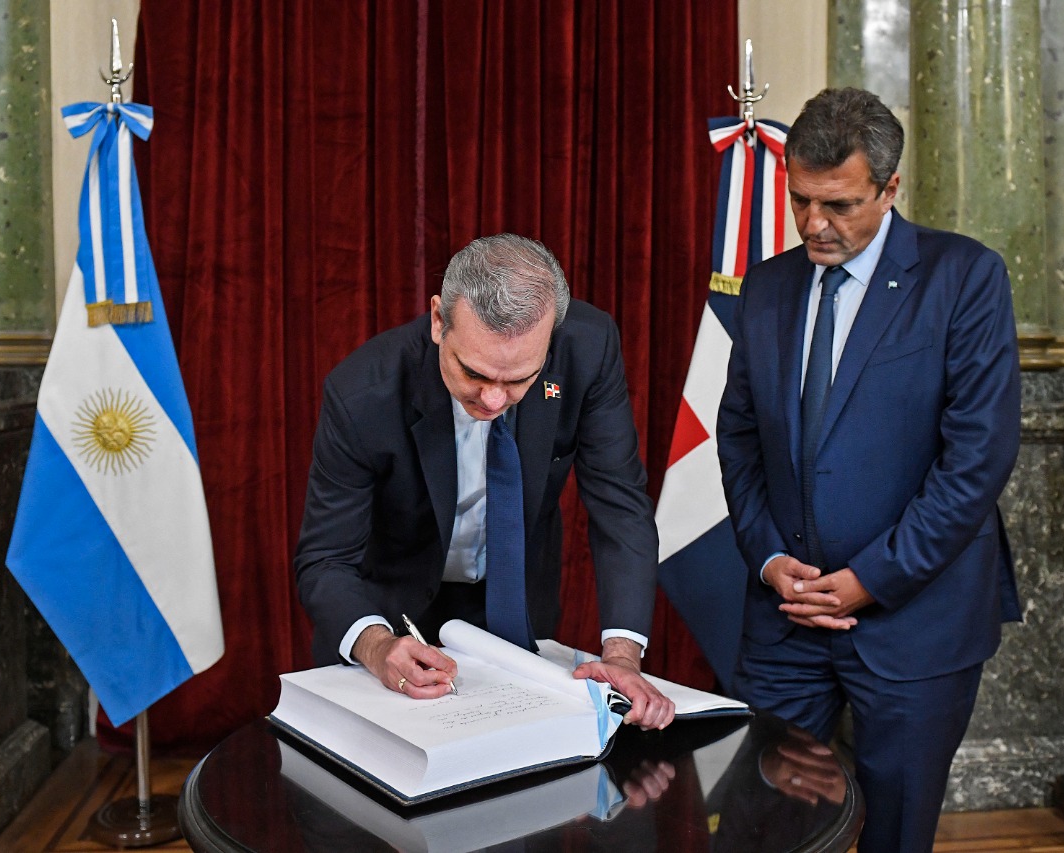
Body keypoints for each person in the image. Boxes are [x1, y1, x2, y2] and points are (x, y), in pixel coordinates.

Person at [716, 87, 1022, 852]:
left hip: (915, 624)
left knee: (894, 832)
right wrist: (769, 558)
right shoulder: (768, 286)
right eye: (801, 200)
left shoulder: (964, 279)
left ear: (890, 189)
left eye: (841, 204)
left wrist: (869, 578)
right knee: (757, 830)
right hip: (786, 621)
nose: (815, 224)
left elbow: (976, 459)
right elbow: (739, 438)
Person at [294, 233, 674, 729]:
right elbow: (325, 559)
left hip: (512, 611)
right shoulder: (364, 392)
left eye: (518, 380)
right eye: (473, 372)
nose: (493, 401)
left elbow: (620, 506)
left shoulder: (588, 347)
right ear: (437, 321)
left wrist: (622, 655)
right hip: (390, 614)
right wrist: (376, 644)